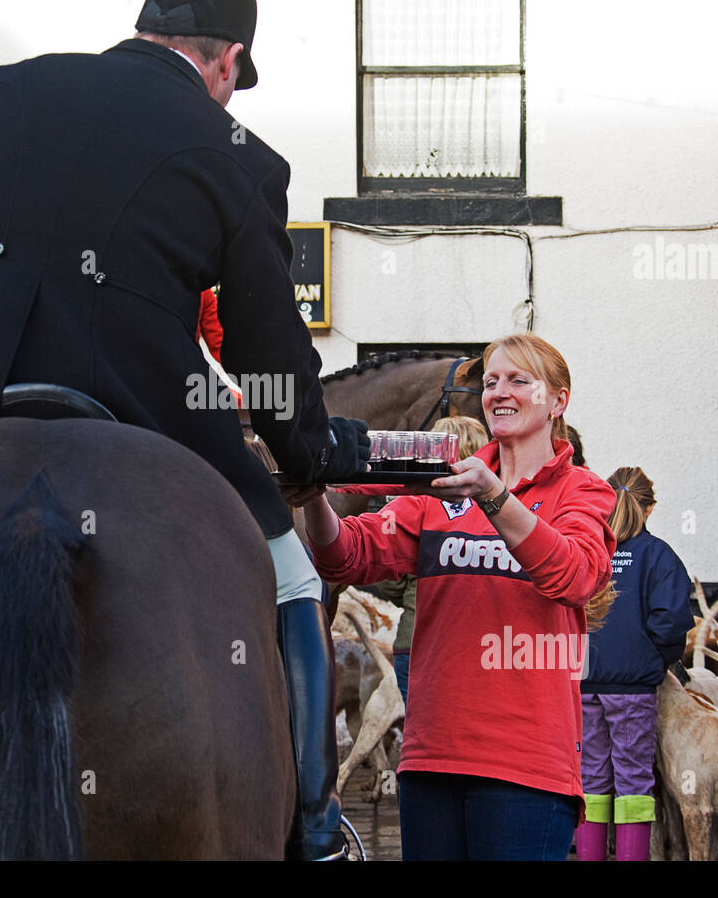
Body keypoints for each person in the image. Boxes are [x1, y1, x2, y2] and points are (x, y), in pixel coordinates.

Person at [0, 0, 368, 859]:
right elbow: (265, 348)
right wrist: (307, 452)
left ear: (144, 29)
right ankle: (320, 832)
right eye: (233, 82)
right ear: (227, 61)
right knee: (290, 579)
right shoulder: (237, 154)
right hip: (149, 403)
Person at [291, 333, 616, 860]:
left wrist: (493, 496)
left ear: (559, 400)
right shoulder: (442, 487)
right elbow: (347, 556)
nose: (498, 391)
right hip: (431, 760)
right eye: (490, 382)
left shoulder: (580, 491)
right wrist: (315, 501)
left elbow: (574, 576)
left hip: (526, 766)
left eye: (518, 380)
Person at [575, 467, 692, 862]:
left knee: (590, 779)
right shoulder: (659, 556)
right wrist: (654, 660)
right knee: (634, 782)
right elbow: (671, 623)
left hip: (584, 683)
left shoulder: (587, 549)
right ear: (651, 508)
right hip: (633, 690)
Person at [374, 415, 488, 707]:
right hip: (472, 644)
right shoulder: (494, 509)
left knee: (422, 728)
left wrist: (412, 592)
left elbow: (388, 578)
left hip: (412, 641)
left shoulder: (415, 504)